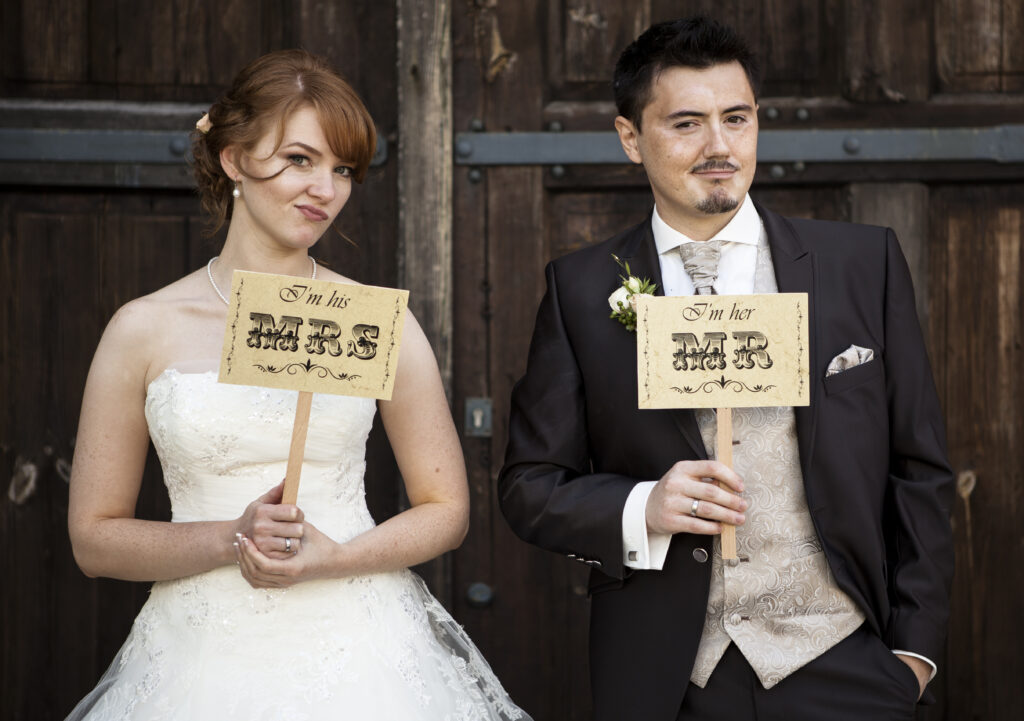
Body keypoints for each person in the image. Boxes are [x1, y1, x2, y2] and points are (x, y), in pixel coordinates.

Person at [498, 16, 953, 721]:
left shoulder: (862, 263)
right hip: (669, 678)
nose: (719, 146)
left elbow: (918, 467)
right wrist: (641, 506)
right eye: (686, 123)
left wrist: (913, 655)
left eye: (736, 118)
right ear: (630, 137)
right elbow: (529, 485)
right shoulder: (582, 289)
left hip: (846, 660)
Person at [66, 49, 529, 721]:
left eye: (342, 170)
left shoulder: (374, 321)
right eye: (299, 160)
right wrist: (230, 537)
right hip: (199, 654)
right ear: (233, 158)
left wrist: (334, 559)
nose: (325, 189)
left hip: (361, 653)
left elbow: (446, 509)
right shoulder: (142, 328)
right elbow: (92, 539)